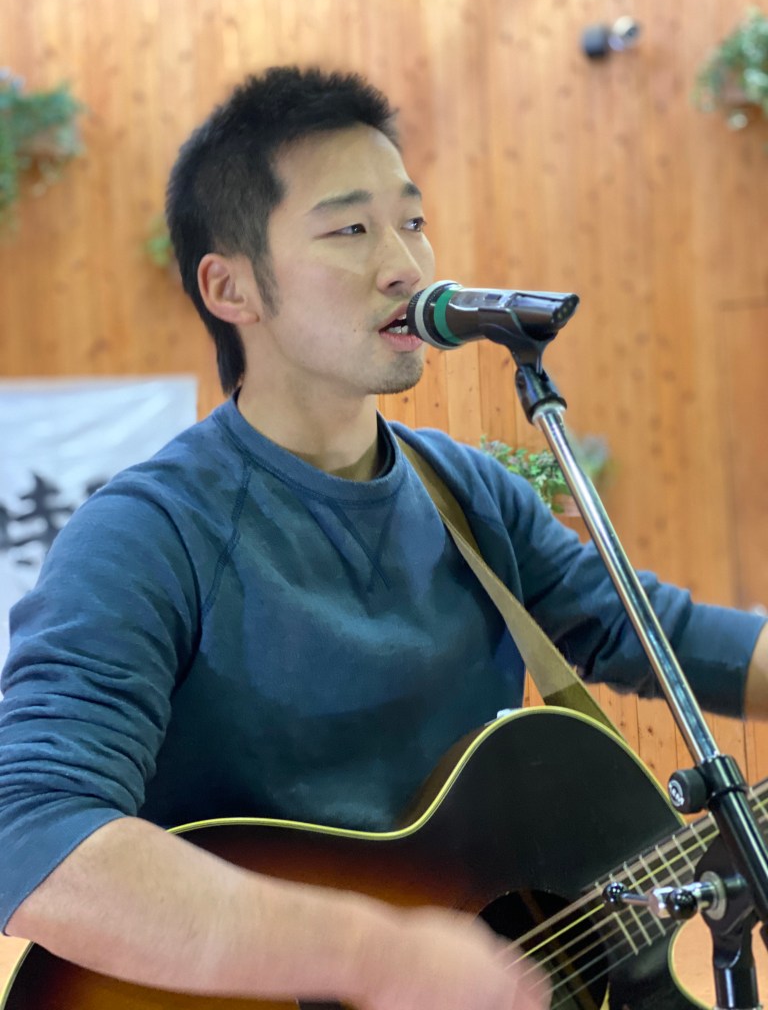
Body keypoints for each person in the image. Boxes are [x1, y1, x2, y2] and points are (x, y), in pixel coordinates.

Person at [0, 65, 766, 1008]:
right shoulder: (148, 535)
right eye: (351, 229)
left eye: (412, 219)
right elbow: (32, 834)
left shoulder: (469, 497)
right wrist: (372, 956)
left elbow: (662, 636)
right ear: (231, 286)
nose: (407, 264)